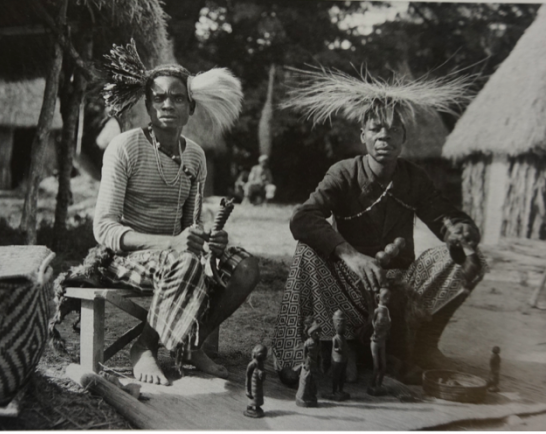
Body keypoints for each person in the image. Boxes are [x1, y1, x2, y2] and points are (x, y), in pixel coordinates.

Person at [273, 67, 485, 386]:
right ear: (363, 136)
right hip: (348, 283)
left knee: (469, 261)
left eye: (392, 130)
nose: (384, 136)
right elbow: (303, 218)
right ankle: (301, 354)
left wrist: (461, 233)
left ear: (403, 138)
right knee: (306, 252)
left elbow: (445, 218)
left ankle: (422, 347)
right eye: (376, 129)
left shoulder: (415, 178)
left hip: (400, 287)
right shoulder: (343, 172)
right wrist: (350, 254)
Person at [93, 39, 260, 384]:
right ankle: (144, 348)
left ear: (191, 108)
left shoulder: (195, 156)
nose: (167, 104)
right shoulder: (124, 147)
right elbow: (104, 229)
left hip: (176, 257)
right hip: (125, 257)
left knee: (245, 267)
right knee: (184, 261)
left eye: (177, 97)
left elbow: (190, 225)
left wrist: (209, 239)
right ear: (148, 105)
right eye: (159, 97)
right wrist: (171, 244)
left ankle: (192, 343)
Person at [369, 288, 392, 396]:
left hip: (383, 341)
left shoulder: (386, 310)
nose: (387, 299)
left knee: (384, 366)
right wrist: (376, 330)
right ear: (379, 297)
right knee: (376, 366)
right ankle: (372, 385)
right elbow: (373, 321)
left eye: (388, 297)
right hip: (376, 341)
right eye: (385, 296)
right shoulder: (377, 310)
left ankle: (379, 385)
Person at [245, 344, 268, 418]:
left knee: (258, 396)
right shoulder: (252, 364)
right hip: (252, 385)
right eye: (263, 355)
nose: (265, 357)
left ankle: (257, 407)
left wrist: (262, 374)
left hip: (258, 384)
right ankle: (249, 408)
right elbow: (248, 376)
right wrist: (247, 390)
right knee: (252, 396)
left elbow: (261, 372)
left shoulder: (261, 363)